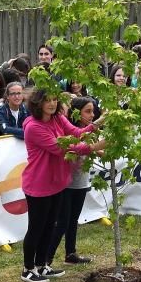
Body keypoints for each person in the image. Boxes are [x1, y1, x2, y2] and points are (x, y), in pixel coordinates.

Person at [20, 90, 103, 282]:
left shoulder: (57, 118)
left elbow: (77, 133)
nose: (51, 103)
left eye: (54, 99)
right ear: (37, 103)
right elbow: (62, 148)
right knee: (36, 228)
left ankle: (41, 265)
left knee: (50, 226)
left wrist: (99, 122)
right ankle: (27, 268)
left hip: (57, 182)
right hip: (39, 184)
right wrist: (94, 147)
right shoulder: (33, 127)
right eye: (46, 100)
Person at [49, 96, 99, 266]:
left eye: (93, 111)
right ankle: (46, 260)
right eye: (88, 111)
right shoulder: (70, 131)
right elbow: (76, 149)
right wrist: (97, 147)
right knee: (62, 222)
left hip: (81, 181)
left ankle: (70, 253)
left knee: (73, 219)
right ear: (76, 113)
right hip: (67, 184)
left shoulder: (88, 131)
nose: (92, 115)